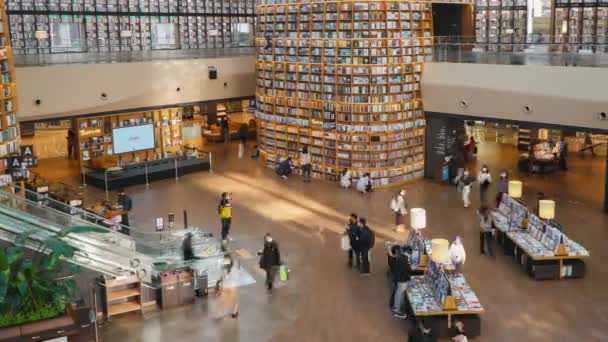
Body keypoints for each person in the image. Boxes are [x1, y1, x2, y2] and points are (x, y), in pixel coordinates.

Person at [216, 255, 240, 319]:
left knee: (233, 299)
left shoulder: (234, 268)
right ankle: (221, 313)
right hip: (225, 286)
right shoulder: (223, 267)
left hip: (232, 286)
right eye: (224, 260)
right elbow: (222, 276)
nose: (225, 261)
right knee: (222, 299)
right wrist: (220, 282)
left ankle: (235, 311)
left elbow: (236, 278)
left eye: (226, 260)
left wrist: (228, 278)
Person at [392, 247, 412, 318]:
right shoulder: (404, 260)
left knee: (399, 293)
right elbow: (408, 270)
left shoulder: (400, 257)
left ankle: (397, 307)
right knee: (400, 294)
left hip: (399, 279)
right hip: (402, 280)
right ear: (407, 252)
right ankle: (397, 311)